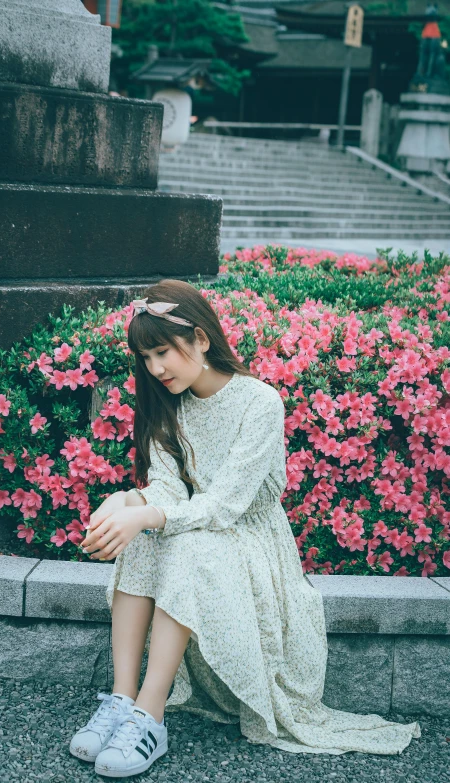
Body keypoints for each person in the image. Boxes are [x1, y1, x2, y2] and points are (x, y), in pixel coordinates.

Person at [69, 279, 421, 778]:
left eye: (163, 352)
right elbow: (169, 492)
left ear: (202, 339)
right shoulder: (171, 406)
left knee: (186, 541)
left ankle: (151, 716)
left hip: (251, 545)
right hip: (200, 532)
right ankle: (122, 701)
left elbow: (227, 506)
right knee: (145, 535)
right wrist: (128, 500)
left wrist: (148, 513)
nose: (155, 369)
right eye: (145, 358)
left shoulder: (259, 402)